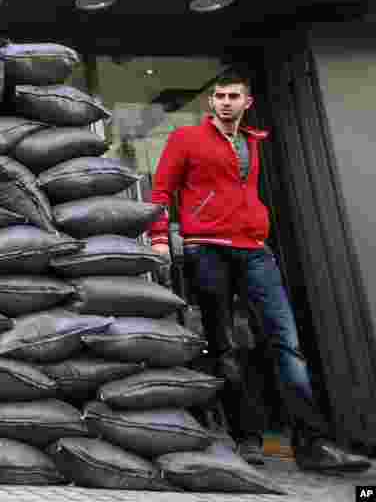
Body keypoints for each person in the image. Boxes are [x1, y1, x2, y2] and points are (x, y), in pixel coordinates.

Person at [148, 71, 370, 474]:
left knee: (286, 344)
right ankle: (245, 439)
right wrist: (160, 237)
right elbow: (162, 190)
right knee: (224, 346)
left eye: (234, 96)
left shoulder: (253, 141)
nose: (226, 102)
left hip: (255, 251)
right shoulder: (186, 140)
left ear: (247, 102)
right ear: (210, 103)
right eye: (219, 96)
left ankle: (313, 444)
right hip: (209, 250)